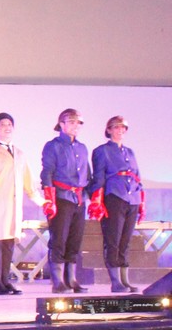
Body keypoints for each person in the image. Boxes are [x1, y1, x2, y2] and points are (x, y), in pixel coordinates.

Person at [0, 113, 45, 295]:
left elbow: (28, 182)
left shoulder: (20, 154)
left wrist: (41, 201)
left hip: (14, 205)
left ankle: (6, 280)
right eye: (3, 124)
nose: (7, 127)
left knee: (9, 243)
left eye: (10, 124)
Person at [88, 116, 144, 293]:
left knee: (125, 241)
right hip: (114, 196)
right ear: (109, 130)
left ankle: (125, 280)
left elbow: (137, 176)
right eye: (116, 127)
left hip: (132, 198)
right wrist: (97, 200)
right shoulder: (101, 151)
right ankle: (115, 281)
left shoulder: (130, 152)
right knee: (113, 240)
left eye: (123, 128)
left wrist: (141, 199)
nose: (120, 130)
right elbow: (98, 177)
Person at [40, 108, 91, 294]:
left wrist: (93, 197)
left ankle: (71, 279)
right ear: (61, 124)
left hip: (79, 199)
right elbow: (47, 172)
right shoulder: (52, 146)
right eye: (71, 122)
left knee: (75, 240)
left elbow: (88, 174)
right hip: (61, 198)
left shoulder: (82, 148)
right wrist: (49, 199)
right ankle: (58, 281)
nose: (75, 125)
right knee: (59, 239)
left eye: (78, 122)